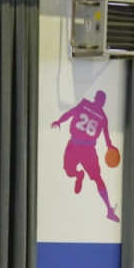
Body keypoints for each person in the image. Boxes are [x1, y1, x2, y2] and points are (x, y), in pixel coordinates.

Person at [50, 90, 120, 223]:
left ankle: (109, 210)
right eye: (100, 99)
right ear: (96, 98)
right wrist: (59, 121)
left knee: (98, 178)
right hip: (74, 145)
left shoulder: (100, 115)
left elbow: (106, 136)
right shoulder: (86, 106)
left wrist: (110, 146)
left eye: (103, 100)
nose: (101, 102)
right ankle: (79, 175)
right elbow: (71, 113)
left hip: (87, 149)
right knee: (69, 172)